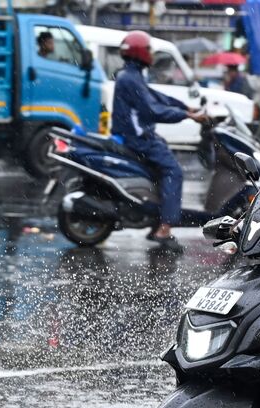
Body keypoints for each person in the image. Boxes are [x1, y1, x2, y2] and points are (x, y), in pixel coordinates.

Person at [112, 30, 208, 252]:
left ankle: (156, 218)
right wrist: (187, 116)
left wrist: (185, 107)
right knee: (173, 171)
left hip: (137, 135)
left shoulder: (131, 76)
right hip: (139, 139)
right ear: (139, 52)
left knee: (163, 166)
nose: (152, 54)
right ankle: (164, 230)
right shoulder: (130, 78)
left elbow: (155, 97)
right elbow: (153, 110)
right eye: (149, 50)